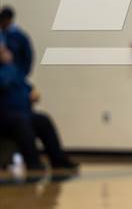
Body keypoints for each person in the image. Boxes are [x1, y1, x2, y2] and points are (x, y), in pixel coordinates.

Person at [0, 44, 77, 174]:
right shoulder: (8, 70)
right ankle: (33, 162)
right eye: (3, 52)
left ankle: (58, 159)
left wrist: (32, 93)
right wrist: (7, 66)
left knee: (43, 120)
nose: (8, 54)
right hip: (5, 115)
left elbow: (25, 86)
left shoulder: (13, 70)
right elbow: (3, 82)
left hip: (21, 113)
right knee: (21, 121)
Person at [0, 6, 34, 79]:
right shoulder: (2, 34)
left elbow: (28, 56)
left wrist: (22, 74)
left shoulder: (19, 37)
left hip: (15, 75)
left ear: (8, 20)